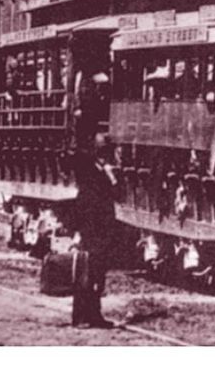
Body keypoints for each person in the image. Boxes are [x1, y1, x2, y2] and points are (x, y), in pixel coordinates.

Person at [70, 135, 118, 328]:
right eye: (107, 151)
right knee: (85, 276)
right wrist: (79, 231)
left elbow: (114, 194)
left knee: (97, 276)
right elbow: (83, 204)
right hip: (91, 230)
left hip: (101, 230)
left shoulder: (102, 172)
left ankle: (94, 315)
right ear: (101, 153)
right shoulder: (90, 172)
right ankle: (80, 317)